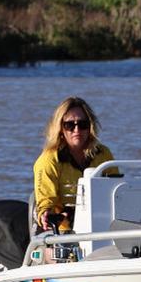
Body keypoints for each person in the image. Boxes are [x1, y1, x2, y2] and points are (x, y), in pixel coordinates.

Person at [33, 97, 114, 234]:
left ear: (90, 126)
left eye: (82, 124)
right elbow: (45, 202)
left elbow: (115, 190)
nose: (77, 130)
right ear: (60, 128)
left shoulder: (103, 154)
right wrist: (46, 214)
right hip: (64, 232)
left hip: (101, 228)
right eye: (70, 125)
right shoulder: (48, 160)